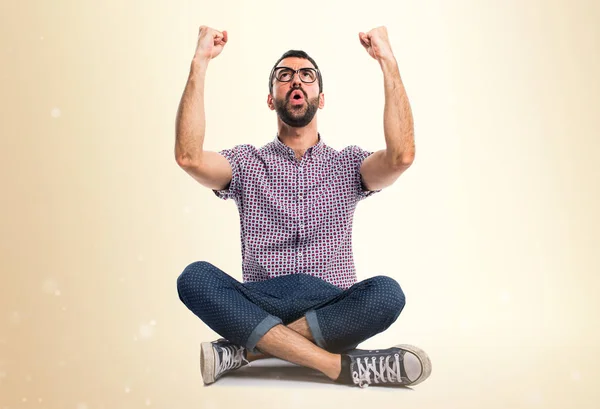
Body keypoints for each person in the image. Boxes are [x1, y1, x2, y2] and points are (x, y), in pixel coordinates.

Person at [174, 25, 431, 388]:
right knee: (194, 278)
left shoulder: (348, 164)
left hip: (332, 309)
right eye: (284, 76)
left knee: (387, 293)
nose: (296, 81)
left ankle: (248, 351)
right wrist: (200, 61)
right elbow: (189, 158)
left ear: (320, 98)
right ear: (271, 98)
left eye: (306, 76)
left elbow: (401, 156)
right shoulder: (246, 163)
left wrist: (387, 62)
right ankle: (338, 367)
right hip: (263, 302)